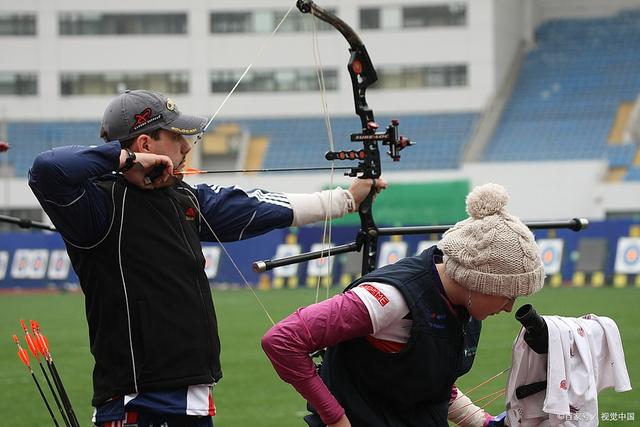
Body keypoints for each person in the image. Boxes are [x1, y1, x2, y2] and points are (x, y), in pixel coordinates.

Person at [28, 89, 386, 427]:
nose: (187, 146)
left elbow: (258, 206)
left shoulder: (183, 197)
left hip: (193, 394)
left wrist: (347, 199)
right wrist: (125, 161)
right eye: (176, 137)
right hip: (139, 401)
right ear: (144, 144)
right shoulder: (97, 206)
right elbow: (46, 170)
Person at [262, 183, 546, 427]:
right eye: (508, 294)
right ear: (478, 281)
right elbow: (283, 340)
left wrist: (482, 422)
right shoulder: (390, 299)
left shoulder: (463, 306)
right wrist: (334, 417)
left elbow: (431, 387)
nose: (510, 307)